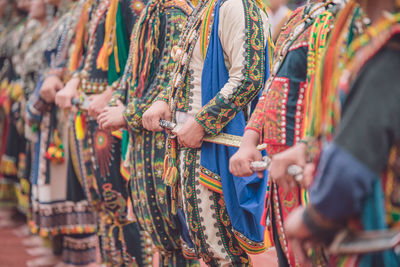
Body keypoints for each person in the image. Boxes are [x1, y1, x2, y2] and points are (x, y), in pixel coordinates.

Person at [268, 0, 400, 266]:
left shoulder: (391, 51)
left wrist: (313, 218)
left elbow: (352, 164)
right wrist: (309, 150)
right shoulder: (366, 32)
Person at [142, 0, 271, 264]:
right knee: (208, 253)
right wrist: (164, 102)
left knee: (225, 254)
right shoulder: (206, 8)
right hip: (191, 150)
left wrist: (202, 123)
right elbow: (187, 74)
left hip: (217, 150)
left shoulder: (238, 6)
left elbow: (249, 75)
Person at [229, 0, 347, 266]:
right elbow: (271, 88)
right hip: (281, 176)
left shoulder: (347, 22)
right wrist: (249, 140)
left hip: (313, 173)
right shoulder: (298, 20)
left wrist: (310, 153)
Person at [97, 0, 201, 265]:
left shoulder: (177, 12)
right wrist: (117, 101)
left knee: (174, 233)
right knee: (157, 233)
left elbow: (172, 80)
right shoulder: (152, 12)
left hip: (162, 137)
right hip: (143, 134)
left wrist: (127, 114)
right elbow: (131, 73)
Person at [56, 0, 151, 265]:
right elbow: (85, 55)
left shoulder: (132, 4)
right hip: (88, 115)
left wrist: (109, 94)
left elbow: (140, 58)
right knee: (101, 204)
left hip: (113, 118)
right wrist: (73, 84)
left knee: (121, 205)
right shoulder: (94, 5)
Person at [25, 0, 100, 266]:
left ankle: (82, 259)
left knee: (76, 191)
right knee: (62, 187)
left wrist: (57, 82)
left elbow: (84, 64)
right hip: (57, 114)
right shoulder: (68, 16)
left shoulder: (85, 10)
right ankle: (65, 257)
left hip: (72, 112)